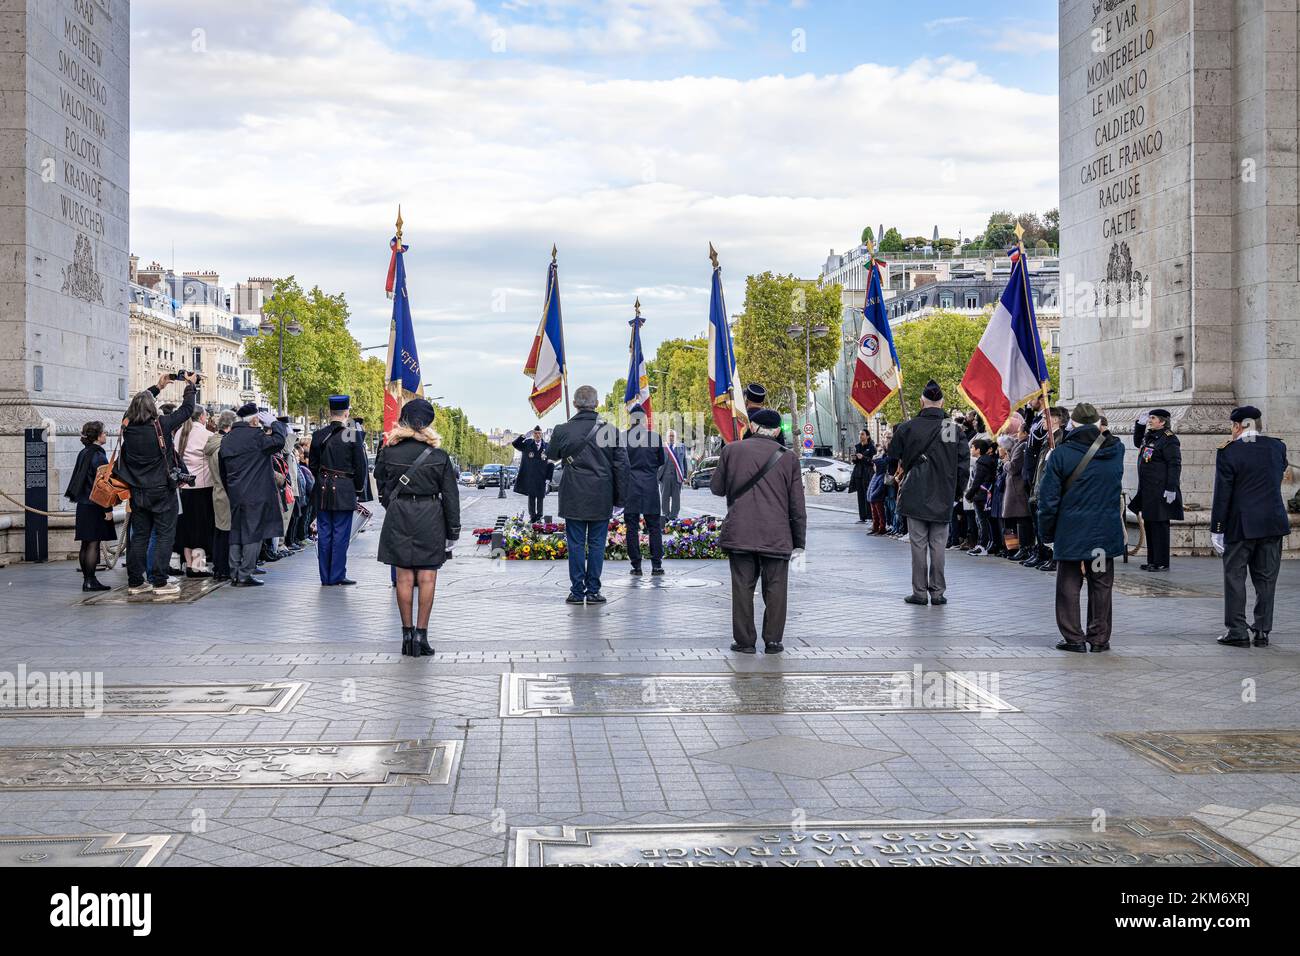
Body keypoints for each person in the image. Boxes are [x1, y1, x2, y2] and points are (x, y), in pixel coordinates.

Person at [710, 408, 806, 653]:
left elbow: (717, 488)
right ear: (776, 431)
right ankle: (773, 640)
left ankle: (744, 642)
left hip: (740, 532)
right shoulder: (789, 458)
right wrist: (799, 542)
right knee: (776, 588)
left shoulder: (731, 450)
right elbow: (797, 504)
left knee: (742, 587)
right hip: (776, 534)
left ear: (751, 427)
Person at [374, 399, 461, 657]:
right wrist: (453, 531)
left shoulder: (388, 451)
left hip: (399, 513)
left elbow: (381, 484)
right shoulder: (439, 456)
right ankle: (422, 636)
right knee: (426, 578)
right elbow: (451, 496)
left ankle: (406, 635)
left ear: (403, 420)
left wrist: (393, 505)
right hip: (430, 515)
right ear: (428, 424)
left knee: (403, 578)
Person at [1037, 403, 1125, 653]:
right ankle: (1099, 638)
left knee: (1069, 584)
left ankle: (1073, 637)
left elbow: (1048, 500)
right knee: (1100, 584)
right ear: (1098, 424)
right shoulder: (1116, 450)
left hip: (1072, 532)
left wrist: (1047, 532)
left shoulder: (1061, 454)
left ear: (1072, 424)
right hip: (1103, 533)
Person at [1211, 406, 1290, 647]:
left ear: (1238, 426)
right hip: (1272, 522)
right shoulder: (1277, 447)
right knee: (1266, 579)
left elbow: (1222, 495)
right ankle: (1263, 630)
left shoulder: (1229, 452)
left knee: (1235, 578)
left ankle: (1237, 631)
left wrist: (1217, 528)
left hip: (1240, 525)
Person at [114, 373, 198, 596]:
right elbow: (187, 410)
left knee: (139, 536)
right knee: (164, 534)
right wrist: (190, 385)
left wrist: (156, 387)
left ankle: (135, 582)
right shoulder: (161, 424)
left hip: (136, 490)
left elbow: (134, 406)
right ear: (153, 409)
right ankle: (159, 582)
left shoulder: (127, 426)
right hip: (162, 490)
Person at [888, 380, 968, 606]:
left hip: (915, 492)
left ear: (922, 401)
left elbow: (892, 456)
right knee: (939, 546)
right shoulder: (950, 429)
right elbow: (961, 465)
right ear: (942, 402)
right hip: (943, 493)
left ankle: (919, 593)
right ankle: (938, 592)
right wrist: (957, 492)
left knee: (918, 546)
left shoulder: (908, 427)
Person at [547, 385, 629, 605]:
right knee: (596, 544)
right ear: (597, 404)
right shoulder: (610, 431)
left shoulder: (562, 429)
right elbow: (621, 467)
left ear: (574, 404)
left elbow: (551, 454)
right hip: (601, 494)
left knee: (574, 544)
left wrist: (564, 435)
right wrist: (620, 499)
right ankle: (593, 591)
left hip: (573, 493)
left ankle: (576, 591)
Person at [219, 405, 289, 587]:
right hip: (256, 494)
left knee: (236, 533)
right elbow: (280, 441)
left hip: (235, 493)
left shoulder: (226, 439)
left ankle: (234, 572)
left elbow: (222, 471)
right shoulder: (257, 437)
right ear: (255, 420)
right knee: (253, 534)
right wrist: (274, 422)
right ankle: (245, 574)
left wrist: (231, 491)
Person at [308, 395, 369, 587]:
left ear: (329, 412)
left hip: (323, 489)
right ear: (347, 413)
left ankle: (325, 576)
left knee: (324, 533)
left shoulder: (318, 435)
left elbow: (313, 466)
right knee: (341, 534)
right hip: (343, 489)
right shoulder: (351, 433)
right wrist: (358, 488)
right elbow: (360, 466)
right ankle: (337, 574)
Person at [64, 420, 116, 591]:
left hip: (83, 504)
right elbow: (103, 486)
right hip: (95, 505)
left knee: (85, 543)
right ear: (99, 436)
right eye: (104, 432)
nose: (106, 435)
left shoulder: (84, 452)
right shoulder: (99, 456)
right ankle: (91, 580)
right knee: (93, 543)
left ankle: (87, 579)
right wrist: (108, 509)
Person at [1130, 408, 1183, 572]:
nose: (1150, 420)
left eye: (1152, 418)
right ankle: (1152, 560)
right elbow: (1137, 442)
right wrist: (1139, 425)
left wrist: (1171, 487)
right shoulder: (1150, 436)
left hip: (1161, 490)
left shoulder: (1169, 439)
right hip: (1148, 491)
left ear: (1162, 421)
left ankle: (1162, 562)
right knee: (1151, 525)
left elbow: (1175, 464)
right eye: (1149, 418)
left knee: (1160, 526)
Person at [623, 405, 665, 576]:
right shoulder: (654, 437)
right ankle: (656, 565)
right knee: (654, 527)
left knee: (632, 528)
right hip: (650, 487)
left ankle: (636, 565)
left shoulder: (623, 438)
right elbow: (661, 460)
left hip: (630, 487)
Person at [173, 407, 215, 577]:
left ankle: (188, 563)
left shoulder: (179, 433)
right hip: (201, 487)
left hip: (182, 488)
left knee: (185, 528)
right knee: (200, 528)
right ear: (202, 417)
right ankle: (197, 566)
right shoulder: (206, 435)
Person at [1026, 405, 1068, 572]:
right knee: (1039, 526)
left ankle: (1053, 557)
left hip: (1048, 489)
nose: (1042, 421)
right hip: (1039, 487)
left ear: (1056, 420)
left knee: (1050, 526)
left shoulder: (1060, 439)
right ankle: (1043, 553)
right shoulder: (1048, 438)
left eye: (1045, 418)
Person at [205, 411, 236, 582]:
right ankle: (223, 568)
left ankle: (220, 567)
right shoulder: (222, 447)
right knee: (225, 533)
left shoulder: (213, 443)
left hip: (218, 491)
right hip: (225, 493)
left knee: (220, 531)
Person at [511, 425, 552, 522]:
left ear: (541, 434)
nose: (537, 435)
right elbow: (515, 444)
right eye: (535, 433)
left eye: (539, 433)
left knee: (541, 497)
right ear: (533, 435)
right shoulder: (528, 444)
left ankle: (539, 516)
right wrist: (523, 436)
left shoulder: (547, 446)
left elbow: (551, 463)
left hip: (542, 476)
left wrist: (548, 479)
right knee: (532, 496)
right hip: (531, 476)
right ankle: (532, 516)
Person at [1004, 421, 1032, 559]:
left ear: (1026, 433)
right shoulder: (1019, 445)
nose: (1017, 434)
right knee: (1018, 520)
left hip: (1018, 487)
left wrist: (1005, 463)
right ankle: (1019, 547)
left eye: (1020, 431)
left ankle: (1025, 547)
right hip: (1015, 487)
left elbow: (1014, 466)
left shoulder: (1022, 446)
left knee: (1022, 519)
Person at [659, 429, 688, 520]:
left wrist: (685, 476)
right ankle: (665, 515)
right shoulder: (662, 447)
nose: (671, 437)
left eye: (673, 436)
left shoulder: (682, 446)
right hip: (664, 476)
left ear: (675, 437)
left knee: (676, 498)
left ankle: (674, 516)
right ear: (667, 437)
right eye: (669, 436)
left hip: (677, 477)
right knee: (664, 497)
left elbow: (684, 462)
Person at [849, 428, 876, 523]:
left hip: (867, 473)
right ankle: (862, 517)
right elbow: (855, 461)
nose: (860, 436)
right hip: (858, 473)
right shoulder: (857, 447)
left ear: (867, 436)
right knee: (860, 495)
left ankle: (870, 516)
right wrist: (854, 458)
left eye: (862, 434)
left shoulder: (871, 447)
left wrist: (863, 457)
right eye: (860, 434)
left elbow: (873, 461)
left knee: (867, 494)